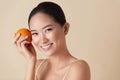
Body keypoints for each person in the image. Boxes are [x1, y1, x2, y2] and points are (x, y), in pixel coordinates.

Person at [13, 1, 90, 80]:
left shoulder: (78, 68)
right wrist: (31, 60)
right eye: (35, 33)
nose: (43, 40)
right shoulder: (37, 66)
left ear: (65, 28)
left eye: (48, 30)